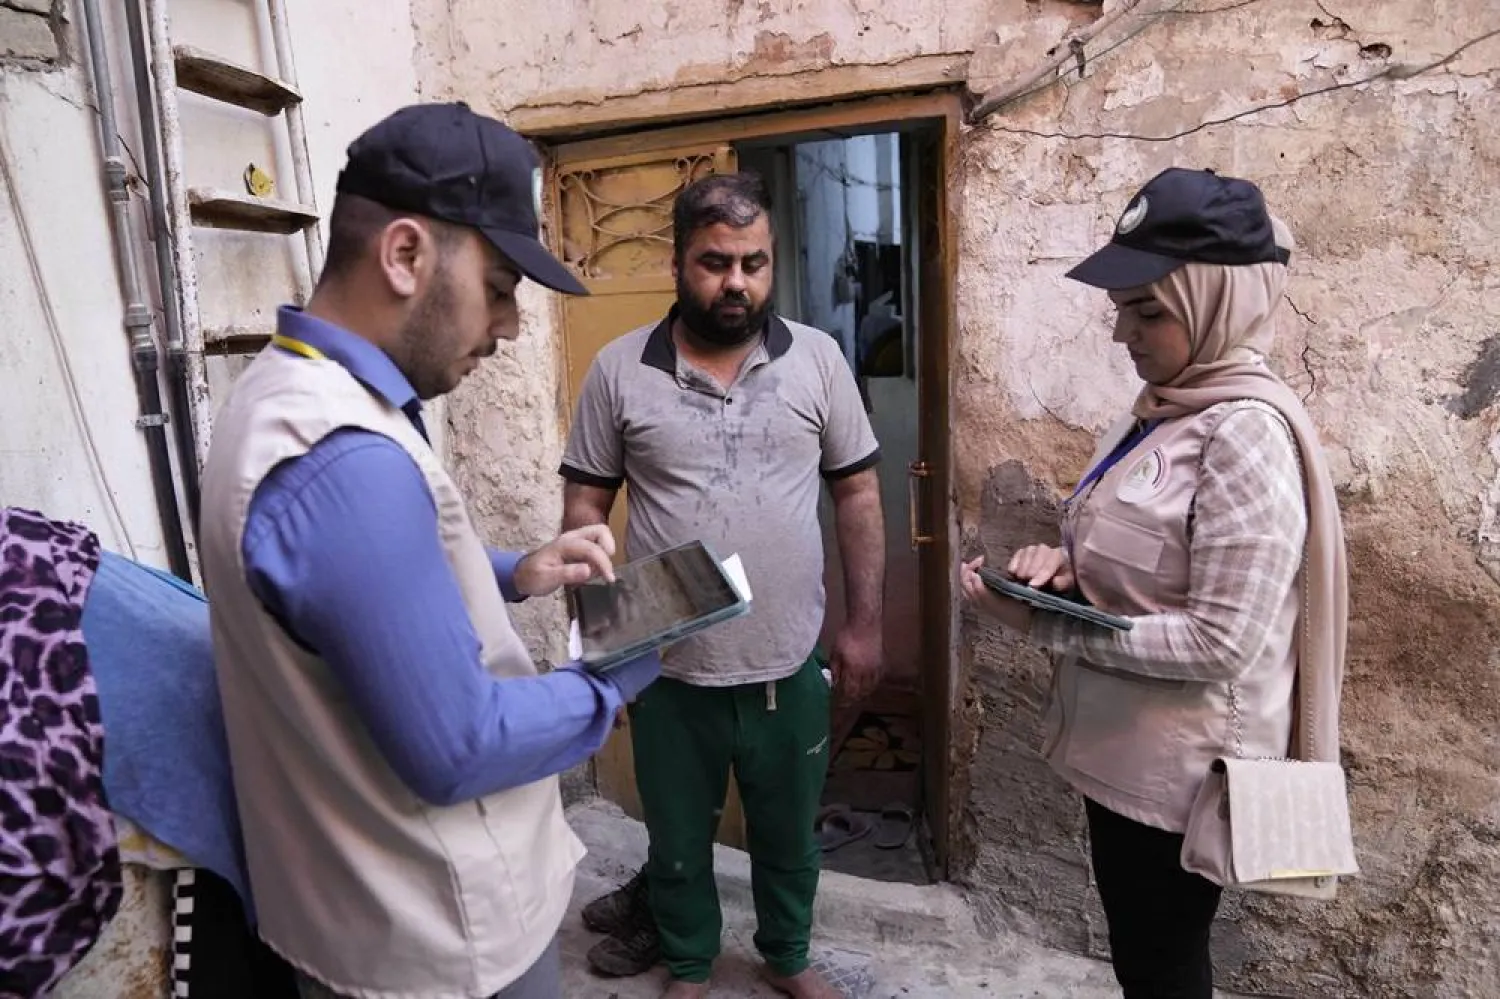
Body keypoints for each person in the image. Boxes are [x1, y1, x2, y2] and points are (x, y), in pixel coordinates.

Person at [197, 103, 663, 999]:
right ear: (406, 254)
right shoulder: (345, 459)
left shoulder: (287, 393)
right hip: (441, 939)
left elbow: (349, 583)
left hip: (357, 912)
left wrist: (516, 570)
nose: (511, 326)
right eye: (499, 287)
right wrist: (614, 679)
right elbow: (459, 745)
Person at [961, 168, 1349, 999]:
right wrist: (1066, 574)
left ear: (1216, 303)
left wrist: (1045, 624)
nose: (1121, 334)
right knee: (1147, 963)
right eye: (1120, 310)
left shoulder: (1242, 433)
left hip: (1179, 780)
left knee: (1162, 968)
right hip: (1127, 757)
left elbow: (1221, 641)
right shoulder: (1167, 410)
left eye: (1147, 312)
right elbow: (1147, 564)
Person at [561, 172, 887, 999]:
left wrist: (864, 627)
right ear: (678, 262)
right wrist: (602, 644)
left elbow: (857, 492)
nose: (736, 282)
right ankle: (689, 963)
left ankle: (786, 954)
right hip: (668, 667)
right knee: (677, 841)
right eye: (715, 262)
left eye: (754, 262)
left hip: (789, 658)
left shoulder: (817, 359)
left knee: (789, 836)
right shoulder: (619, 370)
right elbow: (584, 509)